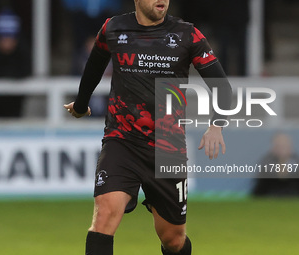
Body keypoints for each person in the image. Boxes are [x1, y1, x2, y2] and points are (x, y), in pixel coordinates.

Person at [64, 0, 232, 254]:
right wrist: (81, 105)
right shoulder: (113, 29)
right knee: (104, 216)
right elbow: (94, 67)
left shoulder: (188, 34)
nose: (162, 0)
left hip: (168, 147)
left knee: (173, 240)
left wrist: (216, 126)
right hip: (121, 140)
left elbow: (222, 87)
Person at [252, 133, 299, 197]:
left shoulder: (297, 161)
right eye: (279, 146)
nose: (282, 149)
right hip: (271, 194)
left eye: (285, 146)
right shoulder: (267, 161)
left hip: (294, 194)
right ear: (273, 147)